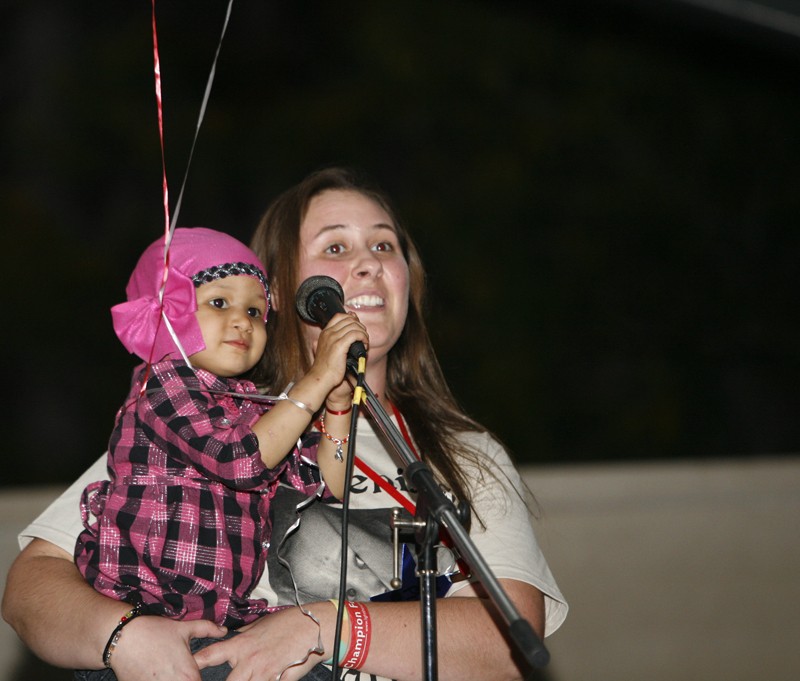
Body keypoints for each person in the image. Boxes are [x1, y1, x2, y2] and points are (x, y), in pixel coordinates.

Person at [2, 167, 568, 681]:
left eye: (384, 245)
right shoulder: (208, 411)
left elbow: (510, 642)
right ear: (279, 289)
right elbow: (32, 588)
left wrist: (324, 628)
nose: (367, 262)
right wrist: (123, 638)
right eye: (336, 247)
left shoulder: (470, 453)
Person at [73, 227, 366, 649]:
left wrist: (337, 408)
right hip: (148, 611)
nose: (241, 322)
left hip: (219, 619)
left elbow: (326, 485)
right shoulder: (160, 385)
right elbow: (238, 460)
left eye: (253, 312)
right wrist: (316, 380)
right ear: (165, 313)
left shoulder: (258, 409)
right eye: (218, 302)